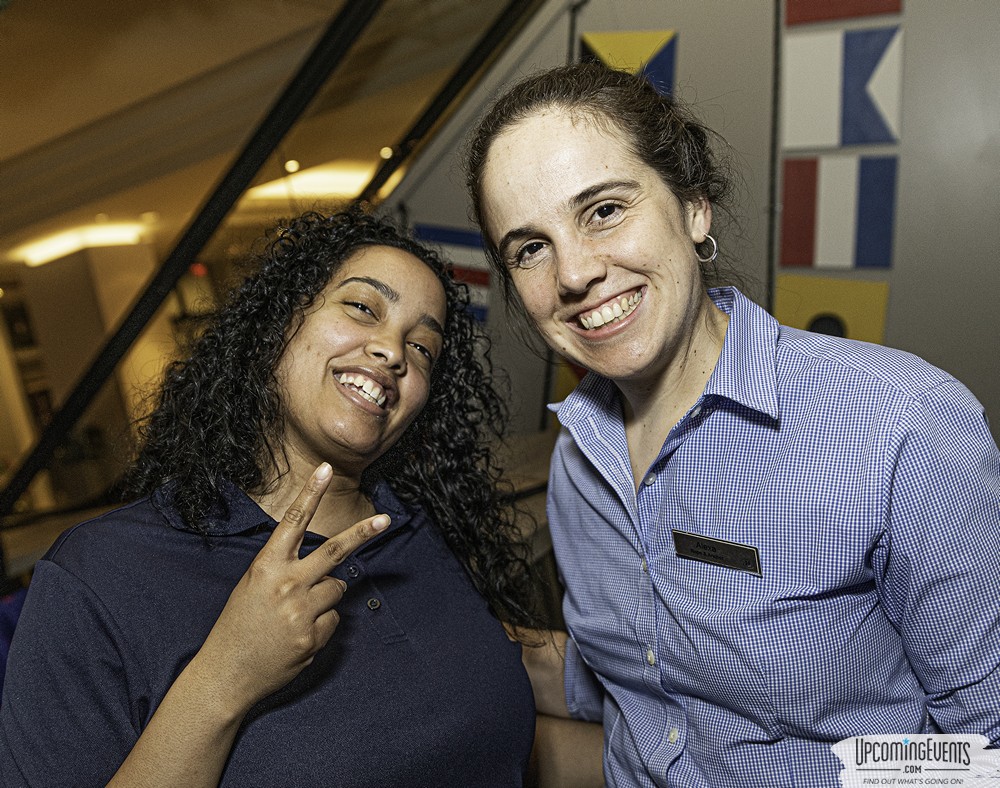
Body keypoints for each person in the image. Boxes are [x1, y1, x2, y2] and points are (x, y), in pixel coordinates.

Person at [465, 61, 1000, 787]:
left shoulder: (898, 427)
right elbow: (633, 688)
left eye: (604, 211)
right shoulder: (580, 462)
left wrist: (844, 772)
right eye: (530, 247)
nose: (573, 273)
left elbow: (985, 744)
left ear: (693, 207)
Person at [0, 209, 542, 787]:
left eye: (423, 347)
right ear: (278, 322)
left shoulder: (423, 529)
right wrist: (227, 674)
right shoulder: (101, 574)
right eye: (363, 308)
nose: (393, 351)